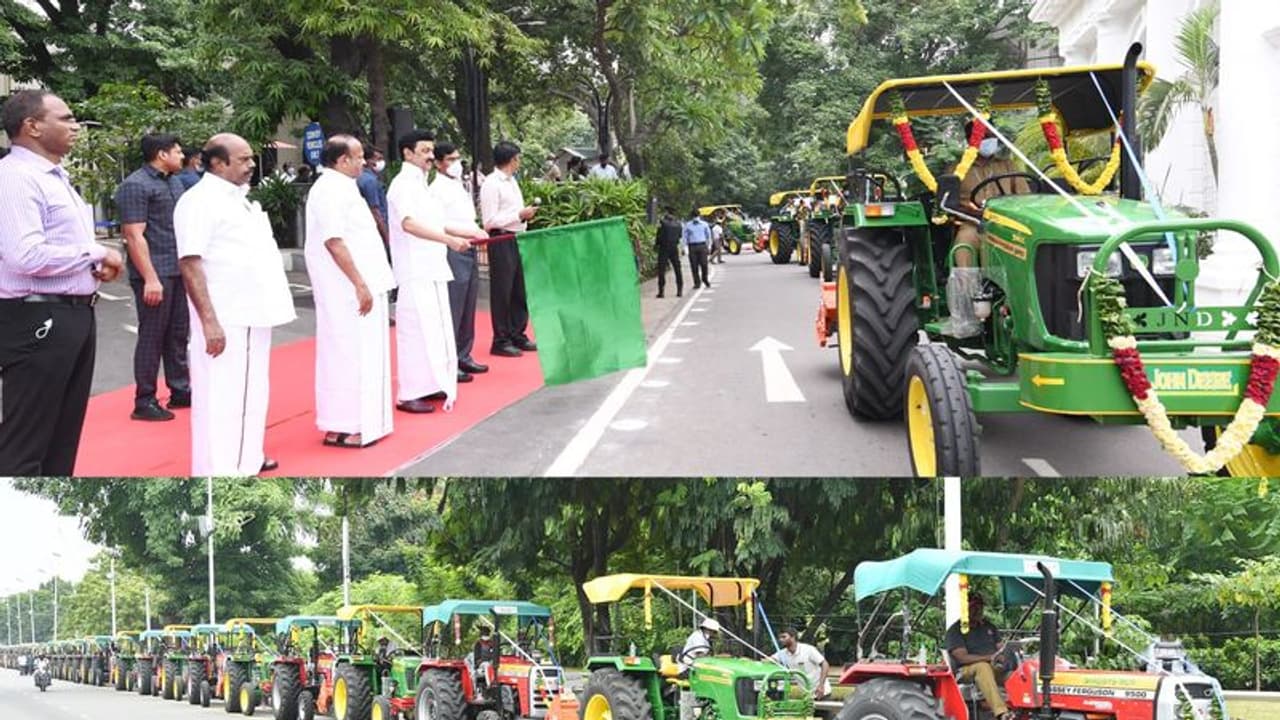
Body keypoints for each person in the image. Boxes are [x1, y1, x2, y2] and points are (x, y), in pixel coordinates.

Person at [0, 89, 125, 475]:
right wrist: (94, 252)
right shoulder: (17, 178)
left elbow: (61, 246)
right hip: (37, 318)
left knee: (61, 440)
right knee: (26, 446)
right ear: (32, 126)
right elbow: (25, 256)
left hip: (73, 315)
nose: (76, 127)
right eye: (66, 118)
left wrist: (92, 261)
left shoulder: (56, 177)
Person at [175, 133, 296, 476]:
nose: (251, 165)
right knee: (222, 397)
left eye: (250, 158)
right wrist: (209, 322)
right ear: (217, 163)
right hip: (227, 315)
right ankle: (223, 469)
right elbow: (190, 262)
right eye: (243, 159)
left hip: (251, 312)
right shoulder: (199, 201)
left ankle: (247, 456)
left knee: (249, 393)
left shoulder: (237, 198)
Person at [305, 134, 397, 449]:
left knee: (362, 355)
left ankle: (361, 422)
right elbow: (334, 241)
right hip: (347, 289)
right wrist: (359, 283)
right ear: (342, 160)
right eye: (358, 157)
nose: (365, 162)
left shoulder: (344, 187)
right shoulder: (329, 190)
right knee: (346, 354)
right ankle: (344, 425)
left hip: (362, 284)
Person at [387, 130, 475, 414]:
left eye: (430, 151)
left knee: (435, 331)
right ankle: (410, 393)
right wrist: (449, 241)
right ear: (407, 153)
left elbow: (437, 223)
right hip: (414, 270)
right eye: (424, 151)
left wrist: (469, 232)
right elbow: (409, 224)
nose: (429, 156)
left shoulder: (423, 185)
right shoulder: (402, 185)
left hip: (433, 267)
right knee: (415, 332)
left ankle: (431, 383)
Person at [116, 132, 191, 422]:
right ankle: (144, 400)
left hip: (177, 269)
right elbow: (134, 236)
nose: (182, 156)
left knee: (178, 334)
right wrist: (150, 278)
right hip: (155, 273)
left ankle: (180, 390)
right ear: (162, 154)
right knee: (152, 337)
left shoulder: (175, 182)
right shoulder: (135, 185)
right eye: (178, 151)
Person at [429, 142, 493, 381]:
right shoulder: (436, 189)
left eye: (457, 158)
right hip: (453, 247)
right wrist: (469, 232)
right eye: (450, 159)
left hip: (470, 245)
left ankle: (464, 354)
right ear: (438, 163)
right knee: (454, 304)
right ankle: (450, 360)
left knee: (468, 303)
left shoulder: (458, 185)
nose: (456, 164)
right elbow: (439, 223)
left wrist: (475, 231)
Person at [479, 141, 540, 357]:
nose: (519, 162)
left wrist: (522, 217)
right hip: (501, 238)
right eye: (517, 158)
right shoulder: (491, 184)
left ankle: (517, 333)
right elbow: (489, 221)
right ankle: (501, 339)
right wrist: (518, 215)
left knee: (518, 289)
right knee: (502, 290)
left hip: (517, 236)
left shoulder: (512, 181)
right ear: (511, 160)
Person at [954, 120, 1029, 267]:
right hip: (974, 223)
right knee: (964, 242)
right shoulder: (957, 169)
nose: (989, 140)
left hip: (1008, 222)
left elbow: (1025, 196)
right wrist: (972, 212)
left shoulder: (1007, 165)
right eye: (984, 136)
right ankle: (966, 282)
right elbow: (950, 204)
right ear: (971, 140)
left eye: (991, 136)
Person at [945, 593, 1012, 720]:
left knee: (1018, 673)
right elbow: (962, 657)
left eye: (980, 607)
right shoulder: (955, 630)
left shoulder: (989, 626)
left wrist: (1005, 654)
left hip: (993, 666)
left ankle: (1024, 709)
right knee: (983, 667)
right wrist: (989, 657)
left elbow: (1001, 648)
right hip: (965, 671)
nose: (978, 610)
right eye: (974, 607)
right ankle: (1002, 713)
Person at [773, 627, 830, 700]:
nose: (781, 640)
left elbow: (825, 664)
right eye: (780, 638)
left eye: (784, 637)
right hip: (807, 695)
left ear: (793, 637)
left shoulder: (808, 649)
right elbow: (769, 660)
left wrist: (821, 686)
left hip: (822, 692)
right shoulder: (782, 653)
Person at [357, 147, 390, 245]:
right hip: (376, 230)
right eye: (377, 159)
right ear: (367, 161)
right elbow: (375, 211)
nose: (380, 162)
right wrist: (387, 237)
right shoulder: (370, 181)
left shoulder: (360, 177)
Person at [654, 206, 684, 298]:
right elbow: (680, 236)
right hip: (674, 247)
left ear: (667, 212)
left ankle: (661, 291)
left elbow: (658, 235)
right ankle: (679, 290)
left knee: (661, 269)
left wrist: (656, 244)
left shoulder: (662, 223)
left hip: (664, 248)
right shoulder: (678, 223)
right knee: (677, 268)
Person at [682, 209, 712, 289]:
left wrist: (709, 246)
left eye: (697, 216)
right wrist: (684, 248)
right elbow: (684, 237)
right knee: (694, 265)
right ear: (692, 216)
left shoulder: (704, 224)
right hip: (692, 246)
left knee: (704, 264)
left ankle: (704, 278)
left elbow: (708, 236)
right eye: (694, 216)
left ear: (699, 216)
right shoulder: (688, 225)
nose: (695, 217)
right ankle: (697, 282)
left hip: (702, 245)